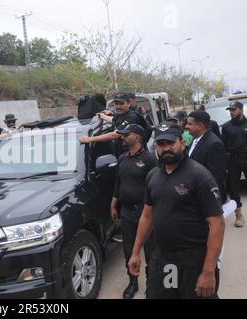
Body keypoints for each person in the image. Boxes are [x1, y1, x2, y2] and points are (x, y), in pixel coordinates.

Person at [128, 124, 225, 299]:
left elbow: (217, 224)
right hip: (165, 259)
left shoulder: (200, 176)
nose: (166, 148)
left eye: (170, 143)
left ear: (182, 143)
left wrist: (208, 271)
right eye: (161, 144)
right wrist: (135, 252)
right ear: (155, 146)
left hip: (194, 260)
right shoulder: (153, 176)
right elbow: (147, 215)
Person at [111, 124, 157, 299]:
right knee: (129, 251)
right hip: (127, 213)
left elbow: (157, 186)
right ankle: (133, 282)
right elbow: (118, 183)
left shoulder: (149, 159)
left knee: (151, 251)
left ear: (137, 137)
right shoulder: (122, 158)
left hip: (146, 213)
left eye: (125, 135)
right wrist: (113, 204)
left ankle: (152, 284)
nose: (122, 137)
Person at [80, 92, 147, 157]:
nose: (118, 107)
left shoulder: (132, 117)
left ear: (129, 103)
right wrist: (102, 116)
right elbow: (113, 120)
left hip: (136, 157)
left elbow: (114, 135)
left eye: (121, 104)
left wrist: (90, 139)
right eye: (116, 104)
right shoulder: (121, 115)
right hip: (124, 156)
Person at [186, 111, 228, 203]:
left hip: (207, 197)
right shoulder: (195, 139)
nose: (186, 126)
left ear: (200, 125)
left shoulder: (214, 144)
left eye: (189, 124)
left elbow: (215, 176)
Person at [221, 101, 247, 227]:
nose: (231, 112)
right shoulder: (226, 127)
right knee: (234, 188)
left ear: (241, 110)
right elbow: (223, 146)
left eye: (234, 109)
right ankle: (239, 215)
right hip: (233, 160)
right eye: (230, 110)